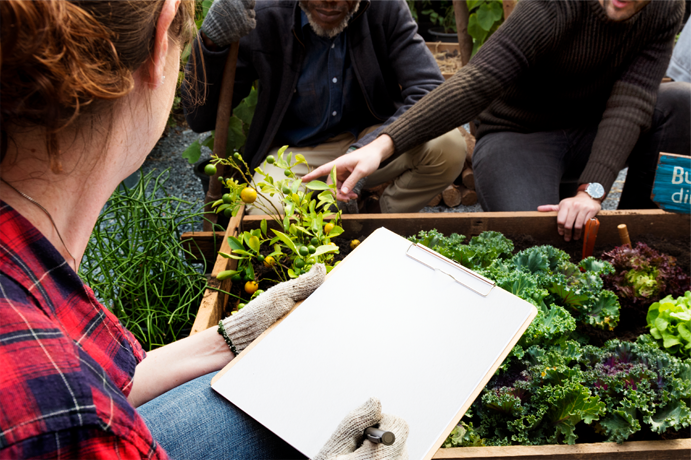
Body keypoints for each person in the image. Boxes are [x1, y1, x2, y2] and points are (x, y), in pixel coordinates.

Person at [0, 0, 408, 458]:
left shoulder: (25, 267)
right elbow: (75, 402)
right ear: (163, 37)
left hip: (357, 143)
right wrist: (210, 46)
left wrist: (228, 340)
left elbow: (104, 375)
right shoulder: (63, 420)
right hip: (298, 152)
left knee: (263, 393)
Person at [303, 0, 691, 241]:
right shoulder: (553, 6)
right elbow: (478, 81)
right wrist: (381, 146)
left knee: (679, 102)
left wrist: (593, 190)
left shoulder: (664, 7)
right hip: (520, 135)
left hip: (593, 130)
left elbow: (632, 100)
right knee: (536, 242)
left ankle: (640, 238)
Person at [183, 0, 467, 214]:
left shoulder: (385, 7)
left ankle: (377, 220)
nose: (330, 0)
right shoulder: (265, 15)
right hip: (297, 153)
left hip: (372, 138)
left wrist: (370, 147)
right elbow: (201, 118)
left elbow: (430, 90)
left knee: (448, 145)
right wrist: (210, 44)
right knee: (264, 210)